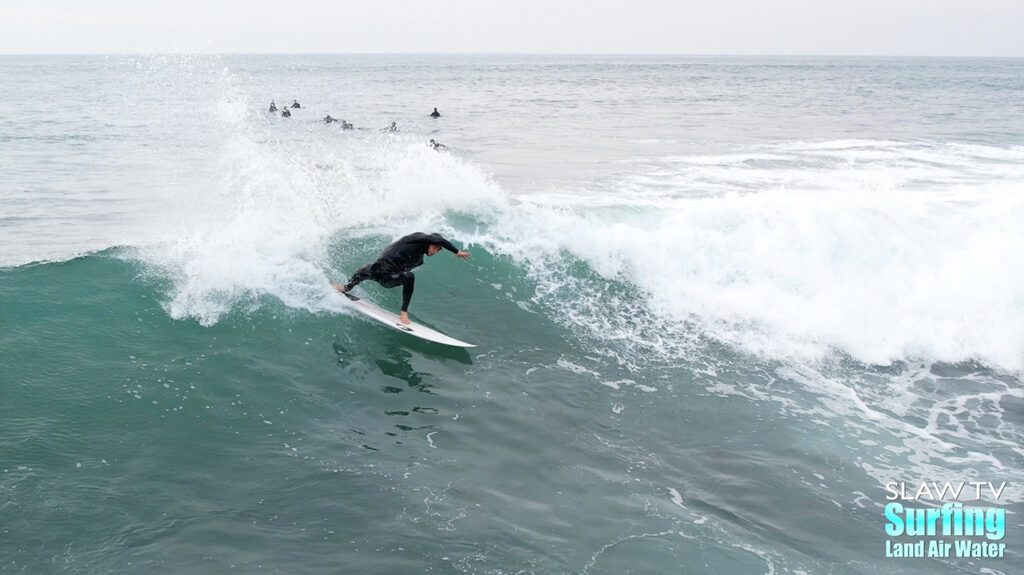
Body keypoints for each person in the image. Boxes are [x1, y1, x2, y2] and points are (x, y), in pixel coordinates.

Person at [333, 232, 471, 324]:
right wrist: (457, 252)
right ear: (430, 241)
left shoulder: (419, 260)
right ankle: (346, 287)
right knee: (365, 269)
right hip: (377, 269)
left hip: (388, 278)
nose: (436, 251)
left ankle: (403, 312)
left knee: (409, 277)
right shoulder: (417, 238)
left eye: (438, 250)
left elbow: (404, 274)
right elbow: (438, 239)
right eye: (436, 247)